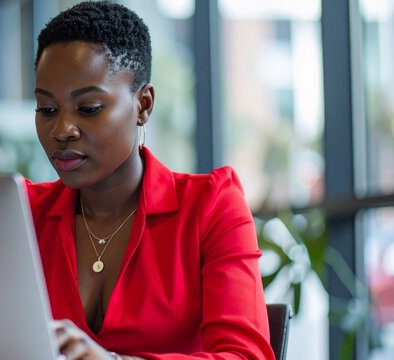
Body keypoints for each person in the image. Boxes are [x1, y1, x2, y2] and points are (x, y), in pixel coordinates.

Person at [26, 1, 275, 359]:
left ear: (143, 105)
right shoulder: (24, 214)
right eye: (47, 109)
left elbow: (244, 355)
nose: (62, 130)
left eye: (89, 108)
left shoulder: (210, 205)